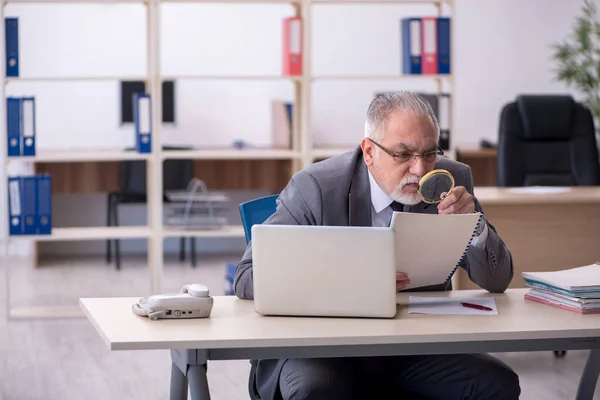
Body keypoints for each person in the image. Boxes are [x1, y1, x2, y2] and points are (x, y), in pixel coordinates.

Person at [234, 91, 521, 400]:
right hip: (322, 344)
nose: (421, 170)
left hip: (409, 345)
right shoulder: (316, 186)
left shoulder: (451, 179)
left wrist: (473, 224)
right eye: (403, 154)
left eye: (429, 153)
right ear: (369, 151)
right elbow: (247, 277)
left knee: (497, 383)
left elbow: (497, 279)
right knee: (317, 391)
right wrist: (351, 279)